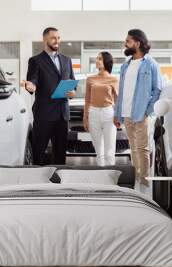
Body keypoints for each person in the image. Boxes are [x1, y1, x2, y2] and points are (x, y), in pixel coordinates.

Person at [114, 29, 162, 188]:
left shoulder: (151, 64)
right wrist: (117, 113)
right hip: (126, 113)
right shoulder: (125, 66)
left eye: (128, 41)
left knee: (143, 149)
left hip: (141, 114)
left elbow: (158, 90)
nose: (125, 43)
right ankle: (136, 180)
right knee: (133, 149)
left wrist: (147, 111)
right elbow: (121, 91)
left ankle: (145, 183)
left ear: (137, 43)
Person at [21, 27, 75, 165]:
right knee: (38, 153)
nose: (57, 41)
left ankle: (59, 185)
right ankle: (37, 184)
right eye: (53, 38)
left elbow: (71, 83)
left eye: (58, 38)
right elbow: (33, 81)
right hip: (43, 114)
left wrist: (72, 92)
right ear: (44, 40)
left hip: (62, 115)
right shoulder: (35, 61)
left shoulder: (67, 60)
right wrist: (30, 86)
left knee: (60, 156)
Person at [84, 52, 118, 166]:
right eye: (97, 58)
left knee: (109, 152)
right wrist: (85, 118)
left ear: (106, 61)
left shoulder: (114, 79)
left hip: (109, 114)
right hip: (93, 114)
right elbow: (87, 100)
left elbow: (118, 100)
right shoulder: (90, 79)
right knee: (99, 153)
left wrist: (118, 116)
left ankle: (112, 180)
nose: (97, 61)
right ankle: (101, 180)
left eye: (100, 59)